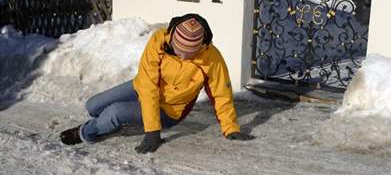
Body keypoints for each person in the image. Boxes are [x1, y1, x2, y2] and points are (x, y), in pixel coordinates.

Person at [60, 13, 254, 153]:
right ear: (172, 39)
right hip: (143, 87)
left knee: (115, 112)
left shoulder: (212, 59)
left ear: (201, 45)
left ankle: (87, 132)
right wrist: (152, 128)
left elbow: (222, 95)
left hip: (170, 110)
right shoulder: (159, 40)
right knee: (93, 104)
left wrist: (231, 128)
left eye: (190, 53)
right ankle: (105, 123)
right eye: (179, 50)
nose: (183, 56)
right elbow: (148, 86)